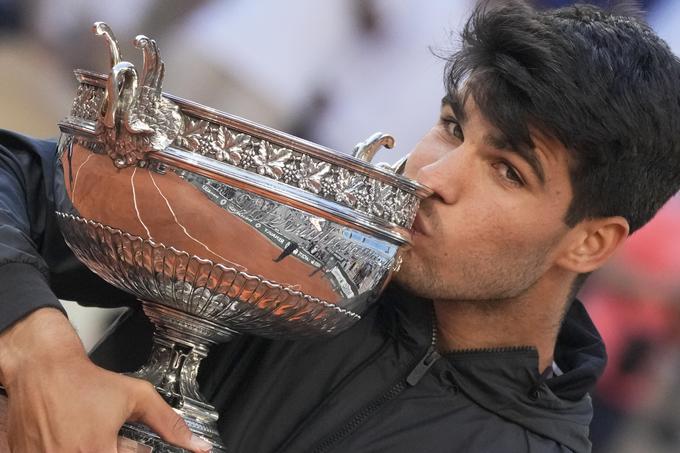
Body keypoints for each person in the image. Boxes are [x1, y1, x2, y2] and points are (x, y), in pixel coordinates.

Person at [1, 1, 679, 452]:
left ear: (591, 241)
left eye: (508, 171)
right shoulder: (296, 241)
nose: (431, 176)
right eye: (452, 128)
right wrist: (38, 352)